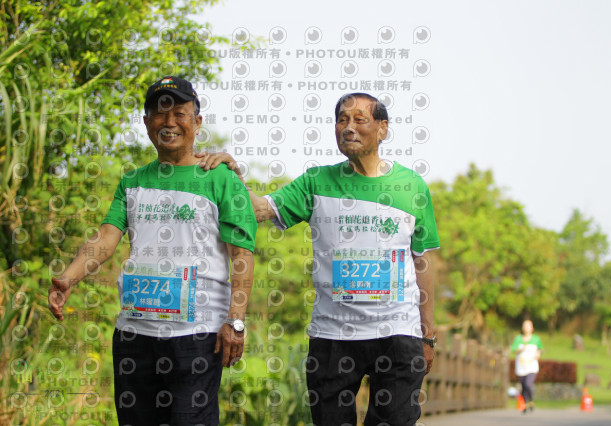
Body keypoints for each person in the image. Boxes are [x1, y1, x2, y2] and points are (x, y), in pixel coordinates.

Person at [199, 93, 440, 426]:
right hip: (333, 337)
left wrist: (427, 334)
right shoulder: (316, 182)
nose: (348, 127)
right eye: (342, 120)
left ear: (382, 128)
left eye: (359, 119)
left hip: (398, 334)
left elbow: (422, 262)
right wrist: (233, 174)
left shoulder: (411, 186)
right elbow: (258, 209)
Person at [48, 76, 257, 425]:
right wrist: (68, 278)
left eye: (179, 113)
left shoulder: (222, 180)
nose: (169, 122)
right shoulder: (132, 181)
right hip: (134, 335)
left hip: (198, 335)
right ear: (146, 122)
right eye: (159, 113)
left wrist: (235, 320)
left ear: (197, 122)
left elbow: (242, 255)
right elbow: (106, 237)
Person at [511, 319, 543, 414]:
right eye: (525, 326)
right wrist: (521, 349)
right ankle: (524, 404)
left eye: (528, 326)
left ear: (532, 328)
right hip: (521, 367)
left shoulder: (536, 339)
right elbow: (514, 349)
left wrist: (538, 354)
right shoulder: (518, 339)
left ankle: (531, 401)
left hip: (532, 366)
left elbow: (540, 349)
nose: (526, 328)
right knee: (523, 386)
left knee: (528, 384)